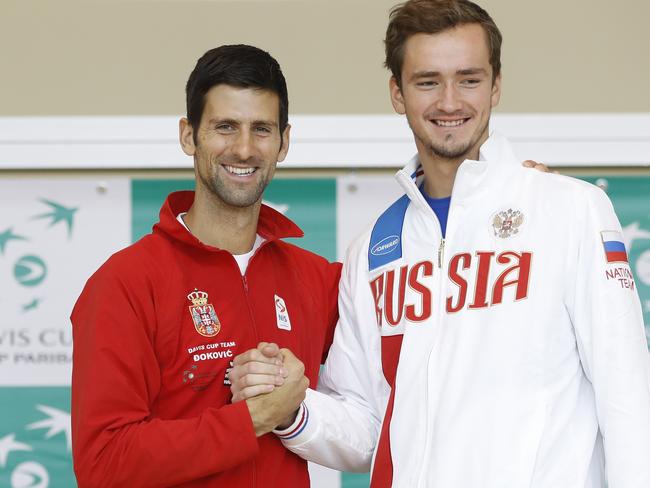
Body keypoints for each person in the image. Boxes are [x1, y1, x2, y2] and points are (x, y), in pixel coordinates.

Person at [229, 1, 650, 487]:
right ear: (397, 93)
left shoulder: (570, 210)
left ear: (496, 86)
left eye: (469, 79)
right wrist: (292, 406)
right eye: (428, 81)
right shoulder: (374, 247)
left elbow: (628, 399)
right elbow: (368, 426)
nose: (450, 102)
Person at [70, 44, 341, 487]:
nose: (244, 148)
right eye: (225, 127)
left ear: (284, 142)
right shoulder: (125, 283)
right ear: (188, 136)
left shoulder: (318, 279)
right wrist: (253, 419)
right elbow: (103, 463)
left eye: (262, 129)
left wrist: (295, 406)